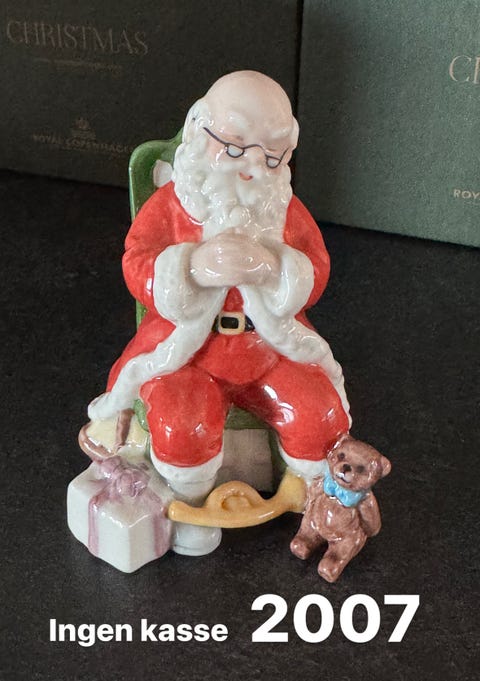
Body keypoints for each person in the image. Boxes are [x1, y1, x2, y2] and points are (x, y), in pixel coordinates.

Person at [87, 71, 351, 552]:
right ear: (198, 132)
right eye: (233, 147)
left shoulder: (282, 209)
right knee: (181, 423)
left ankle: (311, 500)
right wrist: (190, 266)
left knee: (320, 412)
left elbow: (316, 267)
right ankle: (189, 508)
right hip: (191, 354)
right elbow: (137, 261)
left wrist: (274, 266)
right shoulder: (173, 205)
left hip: (270, 347)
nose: (251, 167)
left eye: (271, 156)